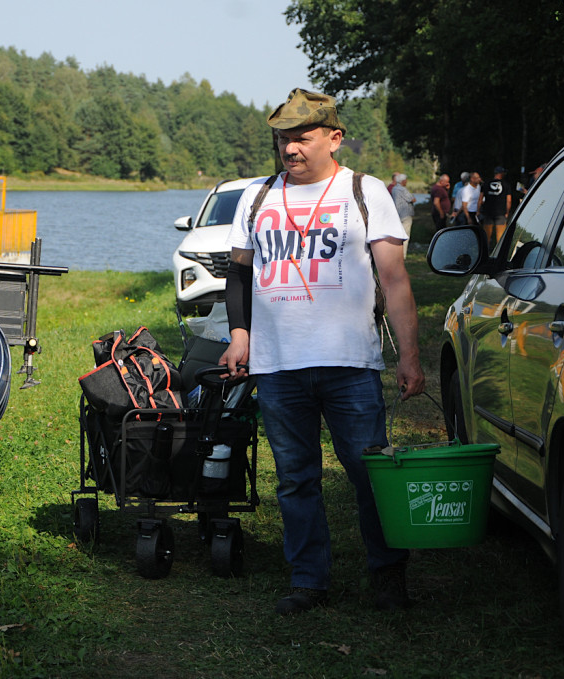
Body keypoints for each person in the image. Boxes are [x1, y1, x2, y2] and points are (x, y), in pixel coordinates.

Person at [218, 88, 425, 614]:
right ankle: (309, 580)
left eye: (301, 138)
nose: (290, 149)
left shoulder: (365, 191)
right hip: (280, 364)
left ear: (334, 138)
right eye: (283, 139)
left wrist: (409, 355)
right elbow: (239, 273)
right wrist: (239, 334)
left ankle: (389, 575)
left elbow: (395, 280)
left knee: (368, 473)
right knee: (295, 478)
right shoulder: (257, 196)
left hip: (349, 364)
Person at [478, 165, 512, 248]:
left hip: (488, 213)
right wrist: (507, 212)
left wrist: (478, 211)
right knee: (500, 238)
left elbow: (480, 199)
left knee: (486, 236)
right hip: (501, 213)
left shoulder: (486, 184)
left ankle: (485, 253)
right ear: (501, 173)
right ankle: (498, 254)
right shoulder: (506, 185)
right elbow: (509, 200)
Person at [389, 173, 416, 256]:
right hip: (405, 214)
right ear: (403, 181)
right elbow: (412, 199)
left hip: (397, 214)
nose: (406, 182)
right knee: (406, 235)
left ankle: (395, 252)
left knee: (397, 235)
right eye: (406, 180)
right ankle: (403, 254)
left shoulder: (394, 189)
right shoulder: (403, 189)